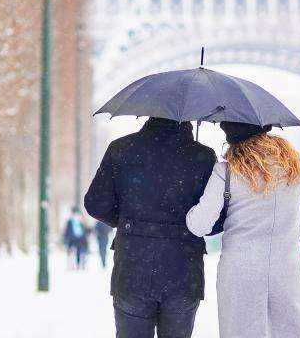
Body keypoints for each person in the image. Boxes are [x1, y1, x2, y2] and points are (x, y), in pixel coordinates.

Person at [85, 117, 217, 338]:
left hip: (133, 268)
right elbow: (214, 220)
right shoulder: (203, 156)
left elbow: (95, 203)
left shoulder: (121, 149)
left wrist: (130, 223)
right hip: (183, 271)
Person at [186, 122, 300, 338]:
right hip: (286, 269)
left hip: (241, 270)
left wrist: (189, 208)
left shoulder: (226, 171)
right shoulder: (294, 169)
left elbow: (200, 226)